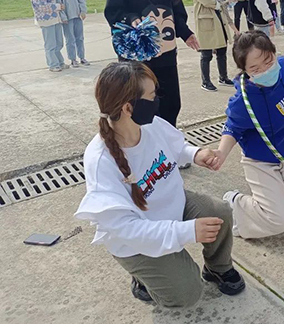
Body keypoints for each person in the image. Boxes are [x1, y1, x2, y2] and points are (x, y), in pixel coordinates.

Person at [74, 62, 245, 307]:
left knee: (220, 212)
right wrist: (185, 231)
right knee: (187, 293)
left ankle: (217, 268)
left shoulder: (150, 124)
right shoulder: (100, 161)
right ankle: (144, 278)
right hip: (135, 241)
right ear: (128, 107)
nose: (157, 101)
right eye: (152, 96)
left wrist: (196, 154)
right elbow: (125, 228)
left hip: (172, 207)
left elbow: (177, 146)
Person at [213, 31, 284, 238]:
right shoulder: (243, 101)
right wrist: (221, 153)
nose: (265, 70)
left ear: (274, 54)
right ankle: (237, 205)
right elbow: (232, 127)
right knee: (281, 220)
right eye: (255, 68)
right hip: (261, 160)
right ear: (245, 70)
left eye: (268, 62)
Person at [104, 0, 200, 128]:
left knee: (170, 104)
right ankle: (142, 145)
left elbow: (176, 8)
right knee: (142, 106)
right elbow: (113, 11)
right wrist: (132, 19)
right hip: (138, 56)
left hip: (166, 52)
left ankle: (167, 143)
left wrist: (185, 32)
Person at [192, 0, 238, 92]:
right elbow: (206, 1)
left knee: (222, 50)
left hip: (219, 18)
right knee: (206, 54)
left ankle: (223, 77)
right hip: (206, 20)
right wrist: (218, 1)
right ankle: (205, 81)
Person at [30, 0, 67, 72]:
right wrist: (58, 6)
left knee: (59, 42)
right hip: (46, 20)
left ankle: (60, 62)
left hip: (55, 18)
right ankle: (53, 64)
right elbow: (41, 6)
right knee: (50, 44)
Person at [53, 0, 90, 68]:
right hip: (67, 17)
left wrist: (83, 10)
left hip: (77, 15)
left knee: (80, 38)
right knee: (70, 39)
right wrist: (63, 16)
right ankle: (73, 59)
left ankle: (82, 57)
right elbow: (58, 2)